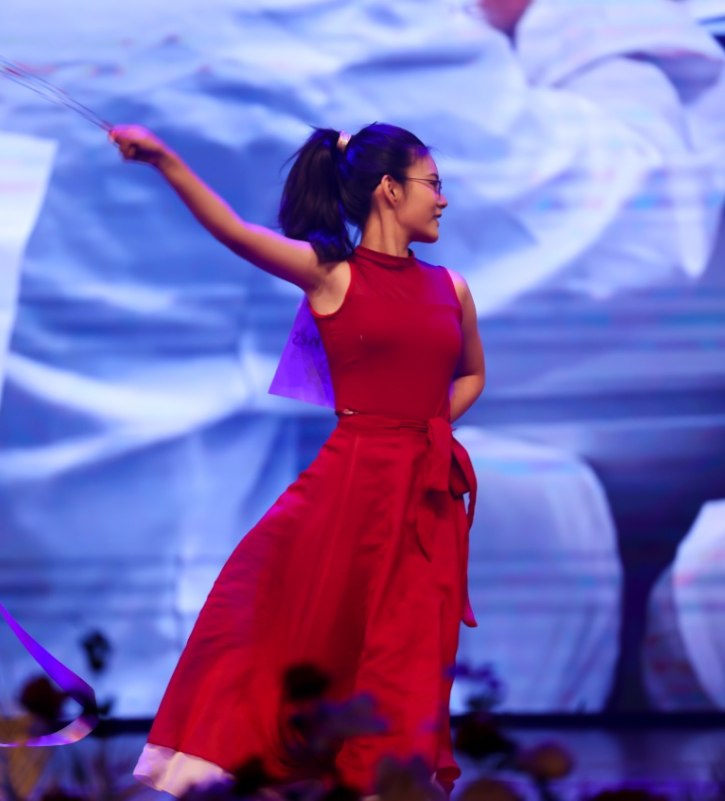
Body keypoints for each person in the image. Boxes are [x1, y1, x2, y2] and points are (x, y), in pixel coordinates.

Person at [110, 122, 485, 796]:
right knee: (296, 630)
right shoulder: (331, 273)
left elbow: (471, 375)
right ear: (389, 188)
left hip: (425, 500)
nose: (443, 198)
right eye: (433, 183)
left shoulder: (452, 288)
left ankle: (383, 780)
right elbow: (232, 231)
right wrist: (164, 158)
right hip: (350, 490)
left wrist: (428, 428)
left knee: (406, 653)